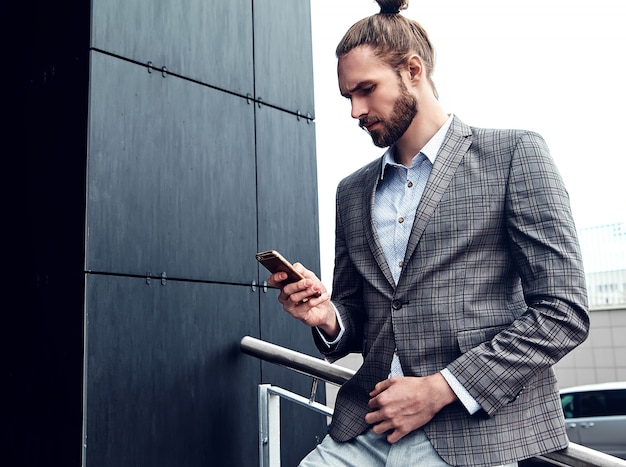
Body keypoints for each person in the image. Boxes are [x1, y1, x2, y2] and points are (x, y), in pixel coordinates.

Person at [267, 1, 589, 465]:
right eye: (347, 97)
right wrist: (327, 317)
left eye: (366, 90)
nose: (356, 110)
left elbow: (564, 312)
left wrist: (441, 389)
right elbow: (361, 315)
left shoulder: (514, 155)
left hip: (468, 433)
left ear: (412, 70)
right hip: (365, 427)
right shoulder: (352, 191)